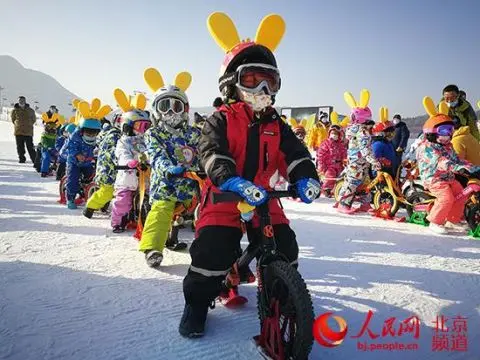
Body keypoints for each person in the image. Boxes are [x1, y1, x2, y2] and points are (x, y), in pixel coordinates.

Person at [179, 12, 320, 338]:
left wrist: (305, 177)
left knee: (285, 244)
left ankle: (282, 295)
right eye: (253, 79)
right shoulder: (221, 120)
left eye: (270, 80)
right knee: (213, 250)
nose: (263, 88)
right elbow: (212, 153)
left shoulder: (276, 124)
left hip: (262, 195)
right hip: (226, 193)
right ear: (231, 83)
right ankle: (197, 303)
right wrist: (229, 179)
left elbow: (295, 154)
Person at [140, 68, 201, 268]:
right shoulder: (153, 133)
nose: (170, 112)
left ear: (184, 109)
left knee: (210, 208)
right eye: (164, 106)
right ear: (156, 110)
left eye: (176, 106)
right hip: (166, 184)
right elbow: (156, 154)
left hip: (193, 186)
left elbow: (204, 152)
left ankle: (214, 246)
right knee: (161, 210)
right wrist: (167, 167)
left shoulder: (193, 134)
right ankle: (153, 248)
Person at [416, 97, 480, 234]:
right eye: (444, 131)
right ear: (432, 132)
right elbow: (441, 162)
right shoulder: (427, 148)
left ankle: (452, 220)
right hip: (433, 178)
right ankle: (435, 221)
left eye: (450, 130)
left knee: (461, 194)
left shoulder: (448, 146)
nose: (448, 135)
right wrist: (459, 168)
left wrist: (472, 167)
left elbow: (457, 160)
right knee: (446, 198)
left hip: (448, 177)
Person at [337, 90, 381, 214]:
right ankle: (343, 203)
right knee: (353, 181)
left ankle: (365, 203)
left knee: (365, 182)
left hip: (359, 161)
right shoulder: (362, 132)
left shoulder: (355, 129)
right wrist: (374, 161)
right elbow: (365, 149)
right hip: (357, 162)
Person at [110, 109, 151, 232]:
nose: (143, 130)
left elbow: (151, 151)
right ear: (128, 126)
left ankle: (147, 221)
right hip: (128, 177)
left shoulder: (146, 140)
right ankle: (117, 222)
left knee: (152, 198)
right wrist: (129, 161)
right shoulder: (123, 141)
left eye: (146, 126)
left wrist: (151, 158)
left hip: (145, 176)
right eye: (140, 126)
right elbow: (121, 153)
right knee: (123, 202)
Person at [83, 115, 121, 218]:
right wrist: (122, 160)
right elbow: (113, 152)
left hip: (115, 169)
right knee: (108, 191)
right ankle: (90, 207)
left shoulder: (118, 134)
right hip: (108, 170)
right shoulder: (114, 136)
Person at [66, 117, 101, 209]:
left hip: (88, 163)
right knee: (73, 179)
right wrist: (77, 154)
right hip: (74, 163)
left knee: (92, 178)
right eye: (88, 132)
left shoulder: (97, 139)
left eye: (93, 132)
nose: (90, 135)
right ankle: (70, 198)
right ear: (82, 130)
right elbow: (70, 147)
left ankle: (87, 194)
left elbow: (101, 147)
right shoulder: (75, 136)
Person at [316, 125, 347, 197]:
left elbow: (344, 154)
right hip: (329, 166)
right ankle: (326, 189)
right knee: (330, 176)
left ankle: (337, 190)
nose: (334, 135)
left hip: (339, 166)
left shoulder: (341, 145)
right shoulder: (325, 143)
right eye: (332, 133)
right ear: (329, 134)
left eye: (336, 134)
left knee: (340, 178)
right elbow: (320, 155)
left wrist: (345, 162)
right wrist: (321, 166)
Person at [11, 96, 37, 163]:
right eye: (20, 100)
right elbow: (13, 119)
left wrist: (29, 124)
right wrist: (17, 124)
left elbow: (34, 119)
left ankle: (35, 159)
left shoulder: (30, 110)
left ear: (25, 101)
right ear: (18, 101)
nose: (21, 101)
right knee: (20, 147)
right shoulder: (14, 110)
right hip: (18, 131)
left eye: (22, 100)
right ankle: (21, 158)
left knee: (30, 146)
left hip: (28, 131)